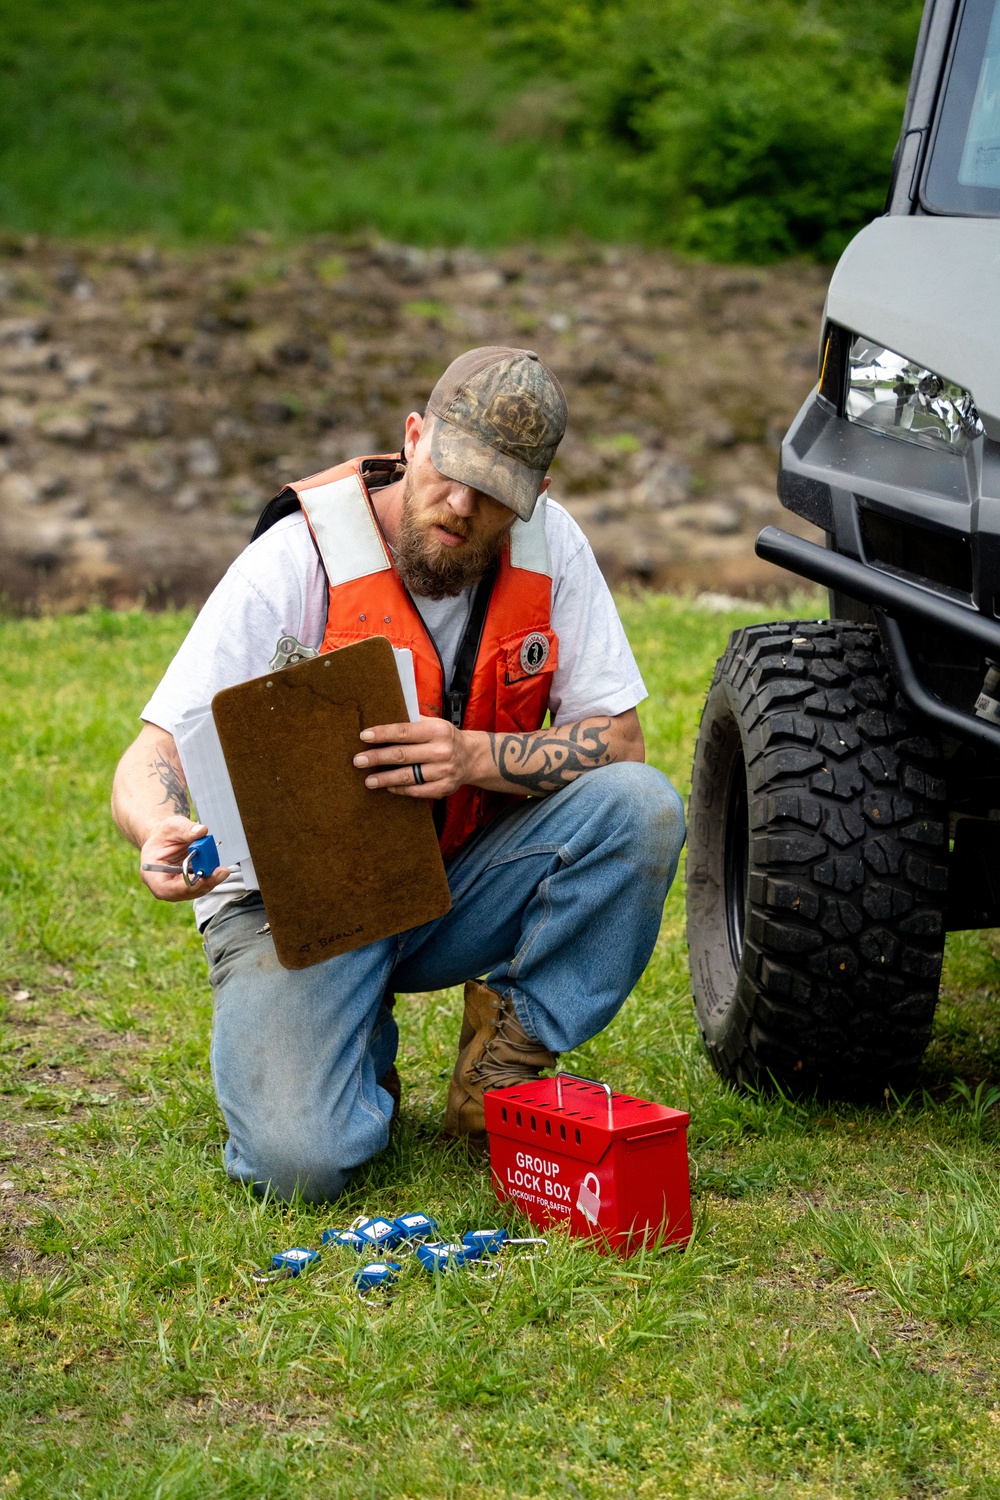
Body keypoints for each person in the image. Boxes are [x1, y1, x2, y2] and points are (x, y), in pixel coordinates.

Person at [111, 346, 686, 1202]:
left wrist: (472, 756)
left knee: (641, 809)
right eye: (449, 472)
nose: (460, 507)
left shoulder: (550, 547)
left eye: (494, 492)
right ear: (413, 438)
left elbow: (621, 741)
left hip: (449, 883)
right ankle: (351, 1044)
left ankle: (504, 1060)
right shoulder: (295, 559)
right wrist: (157, 826)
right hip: (299, 907)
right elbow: (152, 751)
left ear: (533, 497)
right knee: (298, 1168)